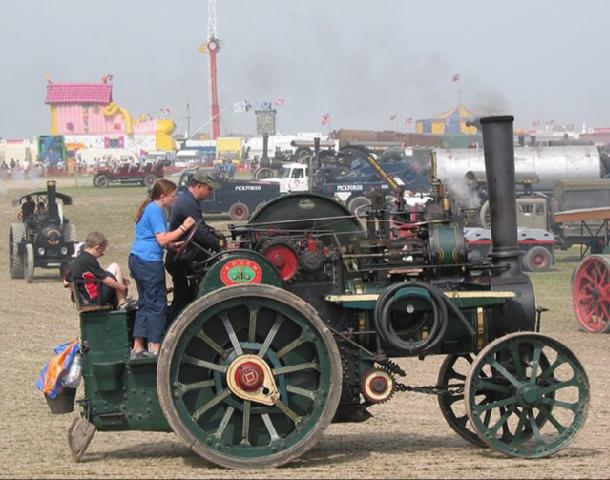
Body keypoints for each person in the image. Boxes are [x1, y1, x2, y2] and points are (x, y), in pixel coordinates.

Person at [129, 179, 196, 358]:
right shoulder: (156, 210)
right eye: (173, 196)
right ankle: (156, 347)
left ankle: (138, 345)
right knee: (157, 304)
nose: (175, 199)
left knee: (145, 302)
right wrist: (184, 227)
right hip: (149, 262)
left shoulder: (150, 208)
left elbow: (156, 239)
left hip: (138, 259)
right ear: (162, 196)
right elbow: (162, 239)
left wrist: (172, 247)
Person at [166, 170, 224, 322]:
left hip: (183, 257)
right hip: (183, 260)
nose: (210, 193)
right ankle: (170, 327)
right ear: (198, 186)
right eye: (209, 189)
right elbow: (199, 232)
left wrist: (214, 233)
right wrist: (220, 246)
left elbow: (202, 228)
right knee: (183, 300)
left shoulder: (187, 200)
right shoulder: (187, 203)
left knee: (185, 298)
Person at [68, 231, 129, 309]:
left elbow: (66, 281)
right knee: (115, 266)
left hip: (86, 299)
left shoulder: (79, 259)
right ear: (97, 248)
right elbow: (106, 280)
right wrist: (122, 287)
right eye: (102, 252)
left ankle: (122, 302)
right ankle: (122, 302)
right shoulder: (89, 260)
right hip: (95, 299)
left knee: (110, 275)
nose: (101, 255)